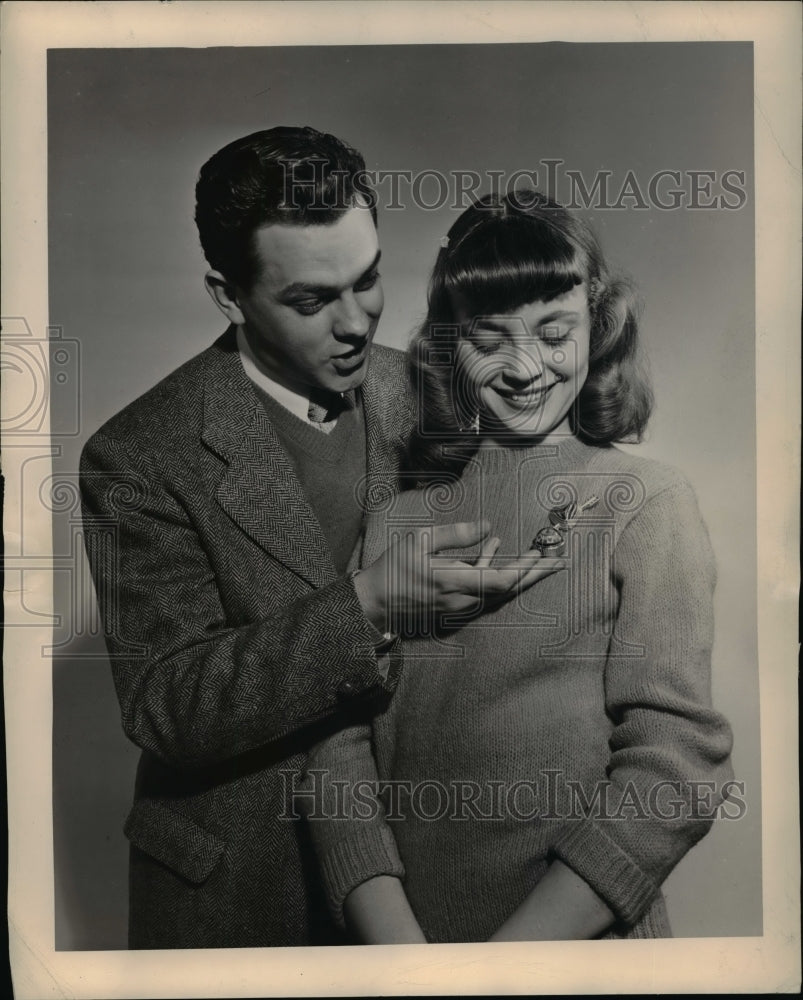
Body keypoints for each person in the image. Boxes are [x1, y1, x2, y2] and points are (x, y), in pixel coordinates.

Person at [79, 129, 559, 949]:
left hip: (415, 877)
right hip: (237, 893)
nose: (354, 322)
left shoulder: (429, 391)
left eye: (367, 279)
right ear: (228, 295)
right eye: (310, 301)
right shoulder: (134, 457)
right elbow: (167, 706)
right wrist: (366, 606)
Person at [302, 189, 736, 943]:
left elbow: (675, 768)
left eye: (552, 330)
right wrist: (398, 951)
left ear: (596, 328)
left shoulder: (644, 503)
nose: (524, 365)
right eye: (487, 336)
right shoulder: (395, 513)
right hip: (402, 958)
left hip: (576, 956)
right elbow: (336, 743)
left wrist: (508, 967)